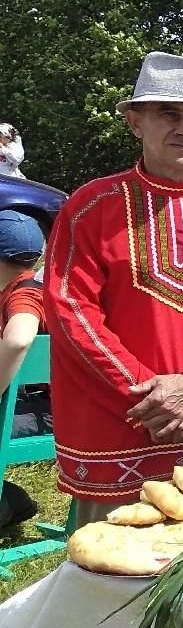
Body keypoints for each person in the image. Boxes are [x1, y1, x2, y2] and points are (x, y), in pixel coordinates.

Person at [44, 51, 183, 527]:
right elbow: (72, 311)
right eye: (168, 113)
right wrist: (153, 402)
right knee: (109, 574)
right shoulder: (91, 208)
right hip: (118, 426)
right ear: (135, 121)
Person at [0, 210, 47, 528]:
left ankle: (8, 504)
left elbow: (18, 339)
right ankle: (11, 500)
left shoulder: (26, 293)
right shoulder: (10, 289)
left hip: (44, 413)